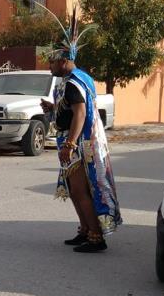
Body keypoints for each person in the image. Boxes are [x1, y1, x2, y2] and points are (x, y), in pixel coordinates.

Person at [40, 16, 121, 253]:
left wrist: (71, 143)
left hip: (78, 143)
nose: (50, 66)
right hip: (76, 141)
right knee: (76, 189)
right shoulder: (76, 79)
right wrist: (54, 108)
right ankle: (86, 230)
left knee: (79, 190)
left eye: (52, 61)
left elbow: (81, 113)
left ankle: (96, 237)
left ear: (65, 60)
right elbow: (72, 109)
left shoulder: (73, 82)